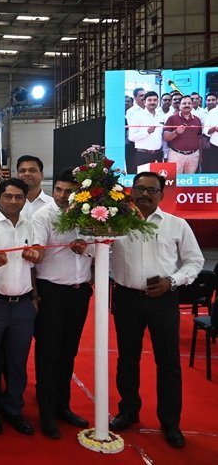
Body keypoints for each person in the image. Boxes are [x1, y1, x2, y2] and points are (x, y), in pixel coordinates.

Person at [109, 171, 203, 449]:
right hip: (126, 298)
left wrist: (171, 281)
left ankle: (170, 421)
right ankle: (128, 410)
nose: (144, 194)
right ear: (131, 192)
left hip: (163, 300)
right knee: (127, 359)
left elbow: (194, 261)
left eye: (151, 190)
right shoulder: (116, 223)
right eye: (139, 189)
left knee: (168, 362)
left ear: (162, 194)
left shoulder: (177, 225)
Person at [31, 168, 93, 440]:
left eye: (69, 191)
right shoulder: (43, 216)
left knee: (69, 352)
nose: (62, 195)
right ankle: (46, 414)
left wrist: (86, 247)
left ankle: (62, 407)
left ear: (80, 194)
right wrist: (35, 253)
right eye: (58, 189)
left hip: (80, 293)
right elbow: (36, 252)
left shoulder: (90, 214)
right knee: (49, 354)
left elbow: (102, 246)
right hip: (51, 292)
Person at [0, 178, 41, 438]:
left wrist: (34, 296)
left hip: (23, 304)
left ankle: (13, 408)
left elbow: (36, 262)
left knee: (18, 361)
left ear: (25, 199)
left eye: (18, 197)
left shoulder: (31, 224)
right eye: (8, 196)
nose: (13, 201)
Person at [163, 95, 202, 174]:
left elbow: (199, 138)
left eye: (189, 103)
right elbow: (166, 137)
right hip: (176, 155)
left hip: (193, 156)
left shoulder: (197, 120)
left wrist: (200, 156)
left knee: (189, 179)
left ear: (192, 105)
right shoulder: (172, 118)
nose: (187, 105)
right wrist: (176, 132)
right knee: (175, 179)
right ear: (179, 105)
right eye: (184, 103)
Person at [128, 91, 165, 167]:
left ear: (158, 102)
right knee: (144, 175)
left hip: (158, 155)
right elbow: (131, 137)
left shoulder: (161, 115)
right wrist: (147, 132)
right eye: (149, 100)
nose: (152, 102)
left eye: (155, 100)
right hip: (143, 155)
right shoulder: (137, 116)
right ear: (144, 102)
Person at [16, 155, 53, 220]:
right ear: (17, 175)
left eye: (32, 170)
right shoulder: (10, 204)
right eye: (22, 171)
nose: (27, 174)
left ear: (42, 175)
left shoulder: (52, 204)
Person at [203, 100, 218, 173]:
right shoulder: (212, 112)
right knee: (214, 169)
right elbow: (206, 131)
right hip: (215, 147)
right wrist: (214, 128)